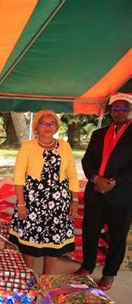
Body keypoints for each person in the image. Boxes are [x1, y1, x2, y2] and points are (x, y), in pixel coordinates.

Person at [9, 110, 78, 274]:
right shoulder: (27, 147)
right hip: (33, 200)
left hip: (58, 201)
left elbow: (72, 175)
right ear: (36, 127)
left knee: (53, 241)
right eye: (43, 123)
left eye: (52, 124)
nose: (48, 127)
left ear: (56, 127)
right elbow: (19, 177)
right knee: (30, 239)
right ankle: (30, 276)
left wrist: (74, 200)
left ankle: (47, 279)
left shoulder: (65, 146)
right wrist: (21, 204)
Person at [75, 93, 132, 290]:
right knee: (90, 230)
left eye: (124, 108)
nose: (120, 112)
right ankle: (87, 265)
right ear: (110, 111)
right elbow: (86, 160)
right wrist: (95, 179)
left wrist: (114, 181)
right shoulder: (99, 134)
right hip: (96, 190)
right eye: (116, 108)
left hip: (122, 193)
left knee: (117, 235)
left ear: (130, 110)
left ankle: (109, 274)